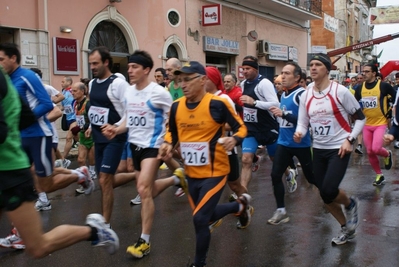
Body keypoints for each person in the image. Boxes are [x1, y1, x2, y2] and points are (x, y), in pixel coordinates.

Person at [0, 67, 119, 255]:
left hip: (17, 161)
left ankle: (96, 231)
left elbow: (48, 109)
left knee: (38, 245)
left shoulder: (18, 80)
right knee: (45, 180)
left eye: (73, 89)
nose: (69, 90)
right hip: (22, 150)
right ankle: (77, 175)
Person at [158, 61, 249, 267]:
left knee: (199, 219)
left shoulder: (217, 104)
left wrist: (234, 139)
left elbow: (241, 128)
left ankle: (199, 263)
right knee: (204, 218)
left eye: (188, 79)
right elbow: (173, 131)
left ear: (203, 80)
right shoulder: (176, 106)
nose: (182, 84)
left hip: (215, 171)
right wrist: (167, 143)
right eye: (180, 80)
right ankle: (239, 205)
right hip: (191, 172)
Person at [101, 50, 185, 259]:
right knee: (148, 189)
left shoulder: (158, 93)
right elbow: (128, 119)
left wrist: (169, 141)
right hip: (135, 145)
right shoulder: (129, 92)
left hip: (153, 146)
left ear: (146, 70)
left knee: (143, 190)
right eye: (129, 67)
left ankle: (144, 241)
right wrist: (116, 128)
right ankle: (177, 179)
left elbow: (173, 117)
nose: (130, 70)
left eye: (134, 67)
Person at [0, 43, 93, 212]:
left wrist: (26, 119)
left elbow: (47, 104)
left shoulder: (27, 76)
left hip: (38, 135)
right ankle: (25, 224)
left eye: (1, 59)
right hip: (19, 136)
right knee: (24, 177)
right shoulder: (6, 80)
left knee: (46, 183)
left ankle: (79, 174)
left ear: (13, 58)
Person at [294, 53, 365, 245]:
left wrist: (350, 140)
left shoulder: (340, 91)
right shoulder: (306, 94)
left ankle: (350, 204)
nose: (313, 68)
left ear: (327, 68)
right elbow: (303, 122)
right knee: (324, 194)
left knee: (329, 188)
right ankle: (346, 228)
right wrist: (299, 132)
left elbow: (360, 118)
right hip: (318, 148)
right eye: (311, 65)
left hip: (339, 147)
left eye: (318, 64)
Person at [86, 46, 129, 227]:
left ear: (106, 62)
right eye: (90, 64)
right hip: (98, 138)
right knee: (105, 180)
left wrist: (117, 127)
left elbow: (131, 112)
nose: (92, 67)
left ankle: (106, 224)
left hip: (114, 138)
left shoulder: (118, 84)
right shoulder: (91, 84)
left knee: (104, 178)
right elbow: (94, 107)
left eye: (95, 63)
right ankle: (136, 175)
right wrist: (89, 125)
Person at [268, 62, 315, 225]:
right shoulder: (284, 94)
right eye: (282, 73)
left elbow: (307, 121)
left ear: (297, 77)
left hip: (301, 144)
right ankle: (281, 211)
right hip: (284, 143)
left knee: (311, 177)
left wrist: (284, 114)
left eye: (287, 73)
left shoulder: (302, 94)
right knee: (275, 175)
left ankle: (331, 196)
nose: (283, 76)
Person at [205, 66, 249, 218]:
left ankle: (245, 206)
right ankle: (210, 217)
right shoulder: (203, 99)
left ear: (213, 81)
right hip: (206, 152)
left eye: (205, 77)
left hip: (225, 150)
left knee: (235, 185)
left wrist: (211, 125)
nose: (201, 81)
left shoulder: (223, 99)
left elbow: (234, 123)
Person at [238, 56, 280, 191]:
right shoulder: (243, 84)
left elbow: (275, 104)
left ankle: (288, 173)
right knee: (245, 160)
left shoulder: (264, 83)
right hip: (251, 128)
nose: (244, 71)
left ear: (255, 69)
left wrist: (254, 102)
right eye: (243, 69)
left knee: (275, 159)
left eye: (248, 69)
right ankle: (242, 195)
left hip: (267, 127)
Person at [354, 63, 396, 186]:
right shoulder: (359, 88)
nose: (364, 74)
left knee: (376, 148)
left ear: (374, 73)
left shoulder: (383, 86)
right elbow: (355, 104)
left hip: (380, 123)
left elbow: (395, 98)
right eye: (363, 72)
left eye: (367, 72)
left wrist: (391, 109)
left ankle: (387, 154)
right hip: (367, 124)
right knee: (370, 151)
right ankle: (379, 174)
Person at [60, 76, 78, 166]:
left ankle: (63, 160)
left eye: (63, 82)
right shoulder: (63, 91)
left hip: (74, 118)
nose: (61, 83)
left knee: (68, 138)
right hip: (68, 117)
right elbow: (64, 106)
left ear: (69, 82)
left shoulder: (73, 92)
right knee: (78, 138)